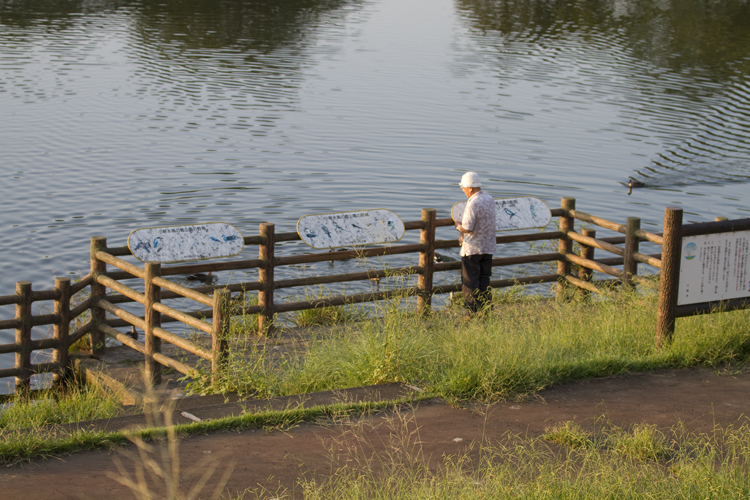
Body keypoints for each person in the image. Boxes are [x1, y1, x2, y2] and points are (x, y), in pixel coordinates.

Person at [455, 172, 496, 314]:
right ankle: (486, 309)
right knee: (484, 280)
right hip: (488, 246)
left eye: (464, 188)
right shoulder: (489, 199)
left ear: (470, 188)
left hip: (472, 248)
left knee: (470, 283)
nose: (463, 190)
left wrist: (458, 225)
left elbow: (467, 228)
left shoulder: (473, 203)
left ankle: (471, 313)